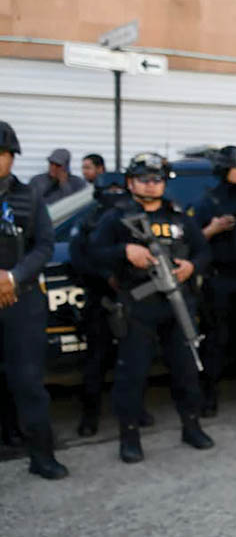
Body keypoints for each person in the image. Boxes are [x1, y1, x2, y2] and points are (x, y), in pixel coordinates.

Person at [90, 152, 214, 463]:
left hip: (177, 306)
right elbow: (93, 252)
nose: (150, 185)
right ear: (131, 183)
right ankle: (130, 437)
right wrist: (124, 250)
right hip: (138, 306)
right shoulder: (116, 217)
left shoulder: (178, 216)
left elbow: (203, 251)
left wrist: (191, 266)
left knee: (186, 371)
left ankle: (191, 426)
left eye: (156, 179)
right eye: (143, 179)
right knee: (132, 375)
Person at [0, 121, 68, 479]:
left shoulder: (30, 196)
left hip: (21, 301)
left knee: (28, 382)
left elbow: (44, 245)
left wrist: (13, 277)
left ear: (12, 157)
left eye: (1, 154)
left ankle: (42, 456)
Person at [191, 146, 236, 418]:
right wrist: (213, 229)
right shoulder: (209, 201)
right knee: (216, 339)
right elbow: (191, 242)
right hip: (219, 280)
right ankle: (209, 394)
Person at [69, 172, 128, 436]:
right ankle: (89, 416)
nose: (115, 195)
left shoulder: (132, 218)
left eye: (119, 189)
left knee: (131, 359)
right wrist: (106, 277)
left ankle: (134, 411)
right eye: (110, 190)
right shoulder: (87, 223)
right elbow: (79, 261)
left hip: (131, 298)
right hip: (100, 300)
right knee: (96, 362)